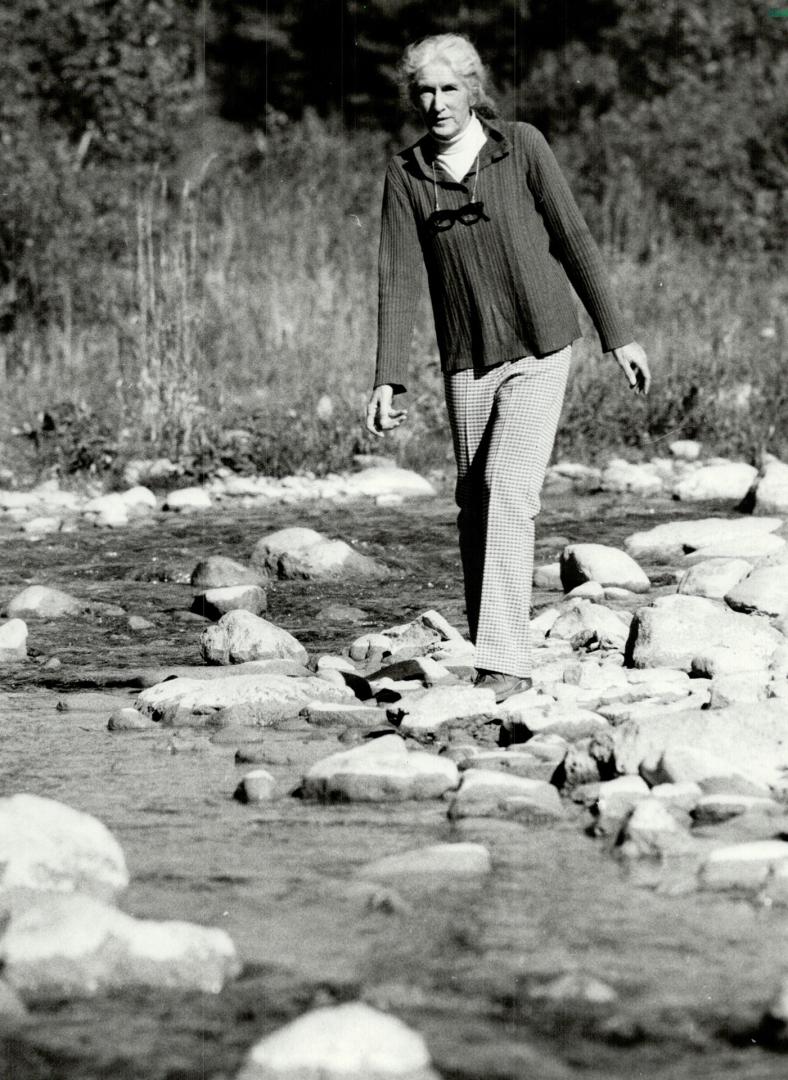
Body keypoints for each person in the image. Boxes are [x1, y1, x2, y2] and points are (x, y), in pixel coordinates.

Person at [365, 33, 650, 703]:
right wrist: (388, 375)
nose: (436, 103)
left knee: (508, 487)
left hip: (542, 343)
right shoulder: (406, 174)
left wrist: (620, 335)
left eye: (449, 89)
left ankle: (505, 662)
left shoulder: (520, 145)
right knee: (475, 501)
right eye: (425, 92)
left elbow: (573, 236)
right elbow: (399, 279)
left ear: (474, 90)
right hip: (468, 357)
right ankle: (493, 638)